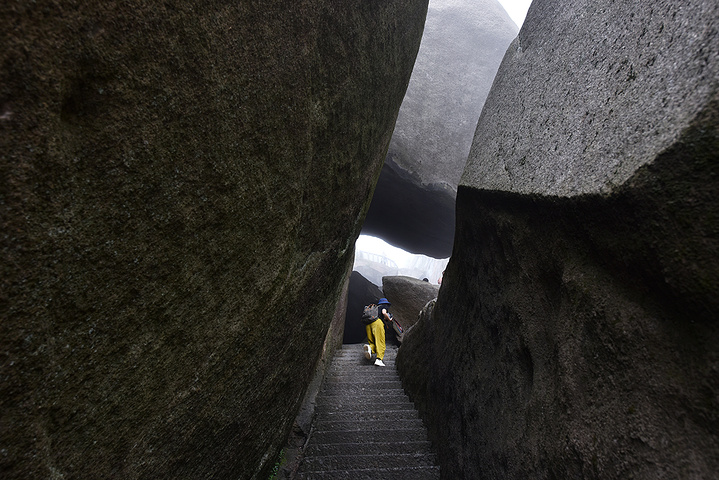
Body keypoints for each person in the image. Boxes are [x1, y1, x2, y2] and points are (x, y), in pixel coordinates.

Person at [363, 298, 392, 367]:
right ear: (386, 303)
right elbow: (384, 313)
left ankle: (370, 348)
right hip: (377, 323)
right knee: (380, 342)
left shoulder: (375, 309)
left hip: (368, 324)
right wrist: (389, 319)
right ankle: (379, 359)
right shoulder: (384, 306)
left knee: (372, 342)